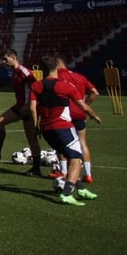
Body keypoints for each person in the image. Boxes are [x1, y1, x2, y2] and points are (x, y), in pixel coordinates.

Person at [30, 55, 101, 206]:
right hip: (62, 127)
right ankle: (67, 193)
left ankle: (80, 189)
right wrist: (94, 115)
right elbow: (82, 105)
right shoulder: (65, 86)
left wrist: (36, 126)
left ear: (41, 69)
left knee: (68, 157)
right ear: (57, 67)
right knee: (76, 160)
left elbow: (32, 107)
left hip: (46, 129)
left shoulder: (36, 86)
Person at [0, 49, 43, 176]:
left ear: (14, 57)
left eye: (5, 59)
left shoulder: (24, 72)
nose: (3, 62)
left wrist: (29, 106)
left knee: (31, 138)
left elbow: (37, 89)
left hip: (28, 108)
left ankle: (36, 168)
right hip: (19, 107)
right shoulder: (14, 72)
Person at [56, 56, 101, 184]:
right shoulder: (79, 76)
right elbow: (95, 92)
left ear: (58, 64)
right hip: (80, 113)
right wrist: (85, 104)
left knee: (61, 142)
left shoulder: (57, 76)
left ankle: (63, 172)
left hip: (65, 114)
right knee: (82, 142)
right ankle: (88, 174)